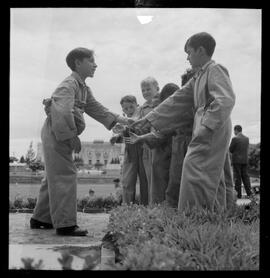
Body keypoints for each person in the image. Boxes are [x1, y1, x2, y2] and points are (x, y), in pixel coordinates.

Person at [30, 47, 130, 236]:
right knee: (65, 175)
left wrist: (122, 119)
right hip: (57, 133)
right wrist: (71, 136)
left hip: (58, 133)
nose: (95, 64)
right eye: (91, 60)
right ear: (78, 62)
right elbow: (61, 112)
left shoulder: (82, 87)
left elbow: (97, 109)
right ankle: (66, 225)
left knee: (55, 175)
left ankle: (40, 219)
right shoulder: (68, 85)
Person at [132, 32, 235, 212]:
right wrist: (148, 119)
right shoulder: (199, 76)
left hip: (212, 128)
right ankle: (214, 216)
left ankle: (194, 216)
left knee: (193, 168)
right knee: (211, 175)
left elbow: (225, 100)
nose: (187, 58)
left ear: (201, 50)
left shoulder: (215, 69)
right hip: (207, 127)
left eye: (189, 52)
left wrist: (206, 127)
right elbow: (176, 100)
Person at [126, 83, 179, 205]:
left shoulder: (172, 114)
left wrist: (141, 137)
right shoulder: (151, 110)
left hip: (165, 155)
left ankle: (160, 213)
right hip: (157, 154)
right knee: (157, 185)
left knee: (162, 188)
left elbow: (161, 133)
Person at [110, 95, 148, 205]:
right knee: (127, 181)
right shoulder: (124, 120)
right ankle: (127, 208)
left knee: (145, 182)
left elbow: (142, 129)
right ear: (122, 110)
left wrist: (125, 130)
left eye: (131, 107)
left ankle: (145, 207)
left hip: (143, 151)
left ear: (137, 106)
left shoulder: (143, 115)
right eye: (125, 109)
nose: (129, 111)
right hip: (130, 154)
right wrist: (117, 138)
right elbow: (123, 134)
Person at [139, 77, 160, 198]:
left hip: (160, 144)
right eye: (143, 90)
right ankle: (153, 204)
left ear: (157, 88)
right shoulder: (142, 109)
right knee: (149, 176)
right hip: (147, 146)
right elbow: (140, 126)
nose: (145, 92)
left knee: (159, 175)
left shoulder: (163, 103)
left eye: (148, 89)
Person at [229, 125, 253, 199]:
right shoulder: (247, 139)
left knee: (237, 178)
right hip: (245, 161)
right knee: (246, 177)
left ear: (236, 130)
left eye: (234, 131)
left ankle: (238, 195)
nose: (234, 132)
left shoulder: (235, 139)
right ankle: (250, 194)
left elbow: (230, 150)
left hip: (236, 161)